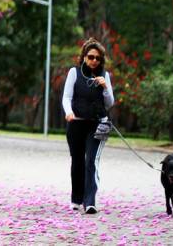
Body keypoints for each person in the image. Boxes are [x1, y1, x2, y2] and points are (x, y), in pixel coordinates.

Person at [62, 38, 115, 215]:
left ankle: (90, 201)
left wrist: (105, 87)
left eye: (98, 58)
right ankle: (76, 199)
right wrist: (68, 112)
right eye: (91, 57)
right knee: (77, 161)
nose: (94, 61)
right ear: (84, 57)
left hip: (97, 124)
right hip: (76, 124)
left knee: (91, 160)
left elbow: (110, 103)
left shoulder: (104, 76)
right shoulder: (74, 73)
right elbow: (67, 97)